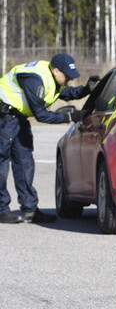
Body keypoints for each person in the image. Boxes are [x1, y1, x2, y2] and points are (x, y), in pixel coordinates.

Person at [0, 54, 96, 224]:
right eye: (66, 76)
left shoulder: (52, 76)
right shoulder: (34, 79)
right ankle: (2, 210)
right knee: (1, 163)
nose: (68, 80)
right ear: (56, 70)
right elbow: (41, 115)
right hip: (4, 117)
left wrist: (86, 89)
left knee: (24, 162)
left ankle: (29, 209)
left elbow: (65, 92)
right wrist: (71, 117)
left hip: (17, 117)